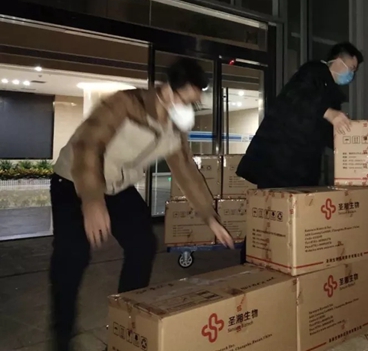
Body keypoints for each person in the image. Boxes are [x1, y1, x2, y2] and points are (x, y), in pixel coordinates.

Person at [49, 57, 234, 351]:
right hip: (74, 181)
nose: (188, 108)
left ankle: (126, 323)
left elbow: (186, 171)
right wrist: (92, 201)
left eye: (194, 103)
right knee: (72, 257)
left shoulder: (174, 127)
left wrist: (209, 217)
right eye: (186, 100)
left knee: (143, 245)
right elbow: (88, 145)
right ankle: (61, 338)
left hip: (117, 187)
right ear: (168, 89)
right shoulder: (126, 103)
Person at [236, 42, 363, 263]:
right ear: (337, 61)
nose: (351, 75)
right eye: (351, 68)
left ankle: (280, 260)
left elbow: (323, 132)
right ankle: (249, 262)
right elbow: (296, 98)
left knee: (290, 217)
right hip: (278, 159)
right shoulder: (313, 72)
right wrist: (328, 112)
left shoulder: (331, 93)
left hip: (300, 165)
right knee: (269, 214)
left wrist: (350, 145)